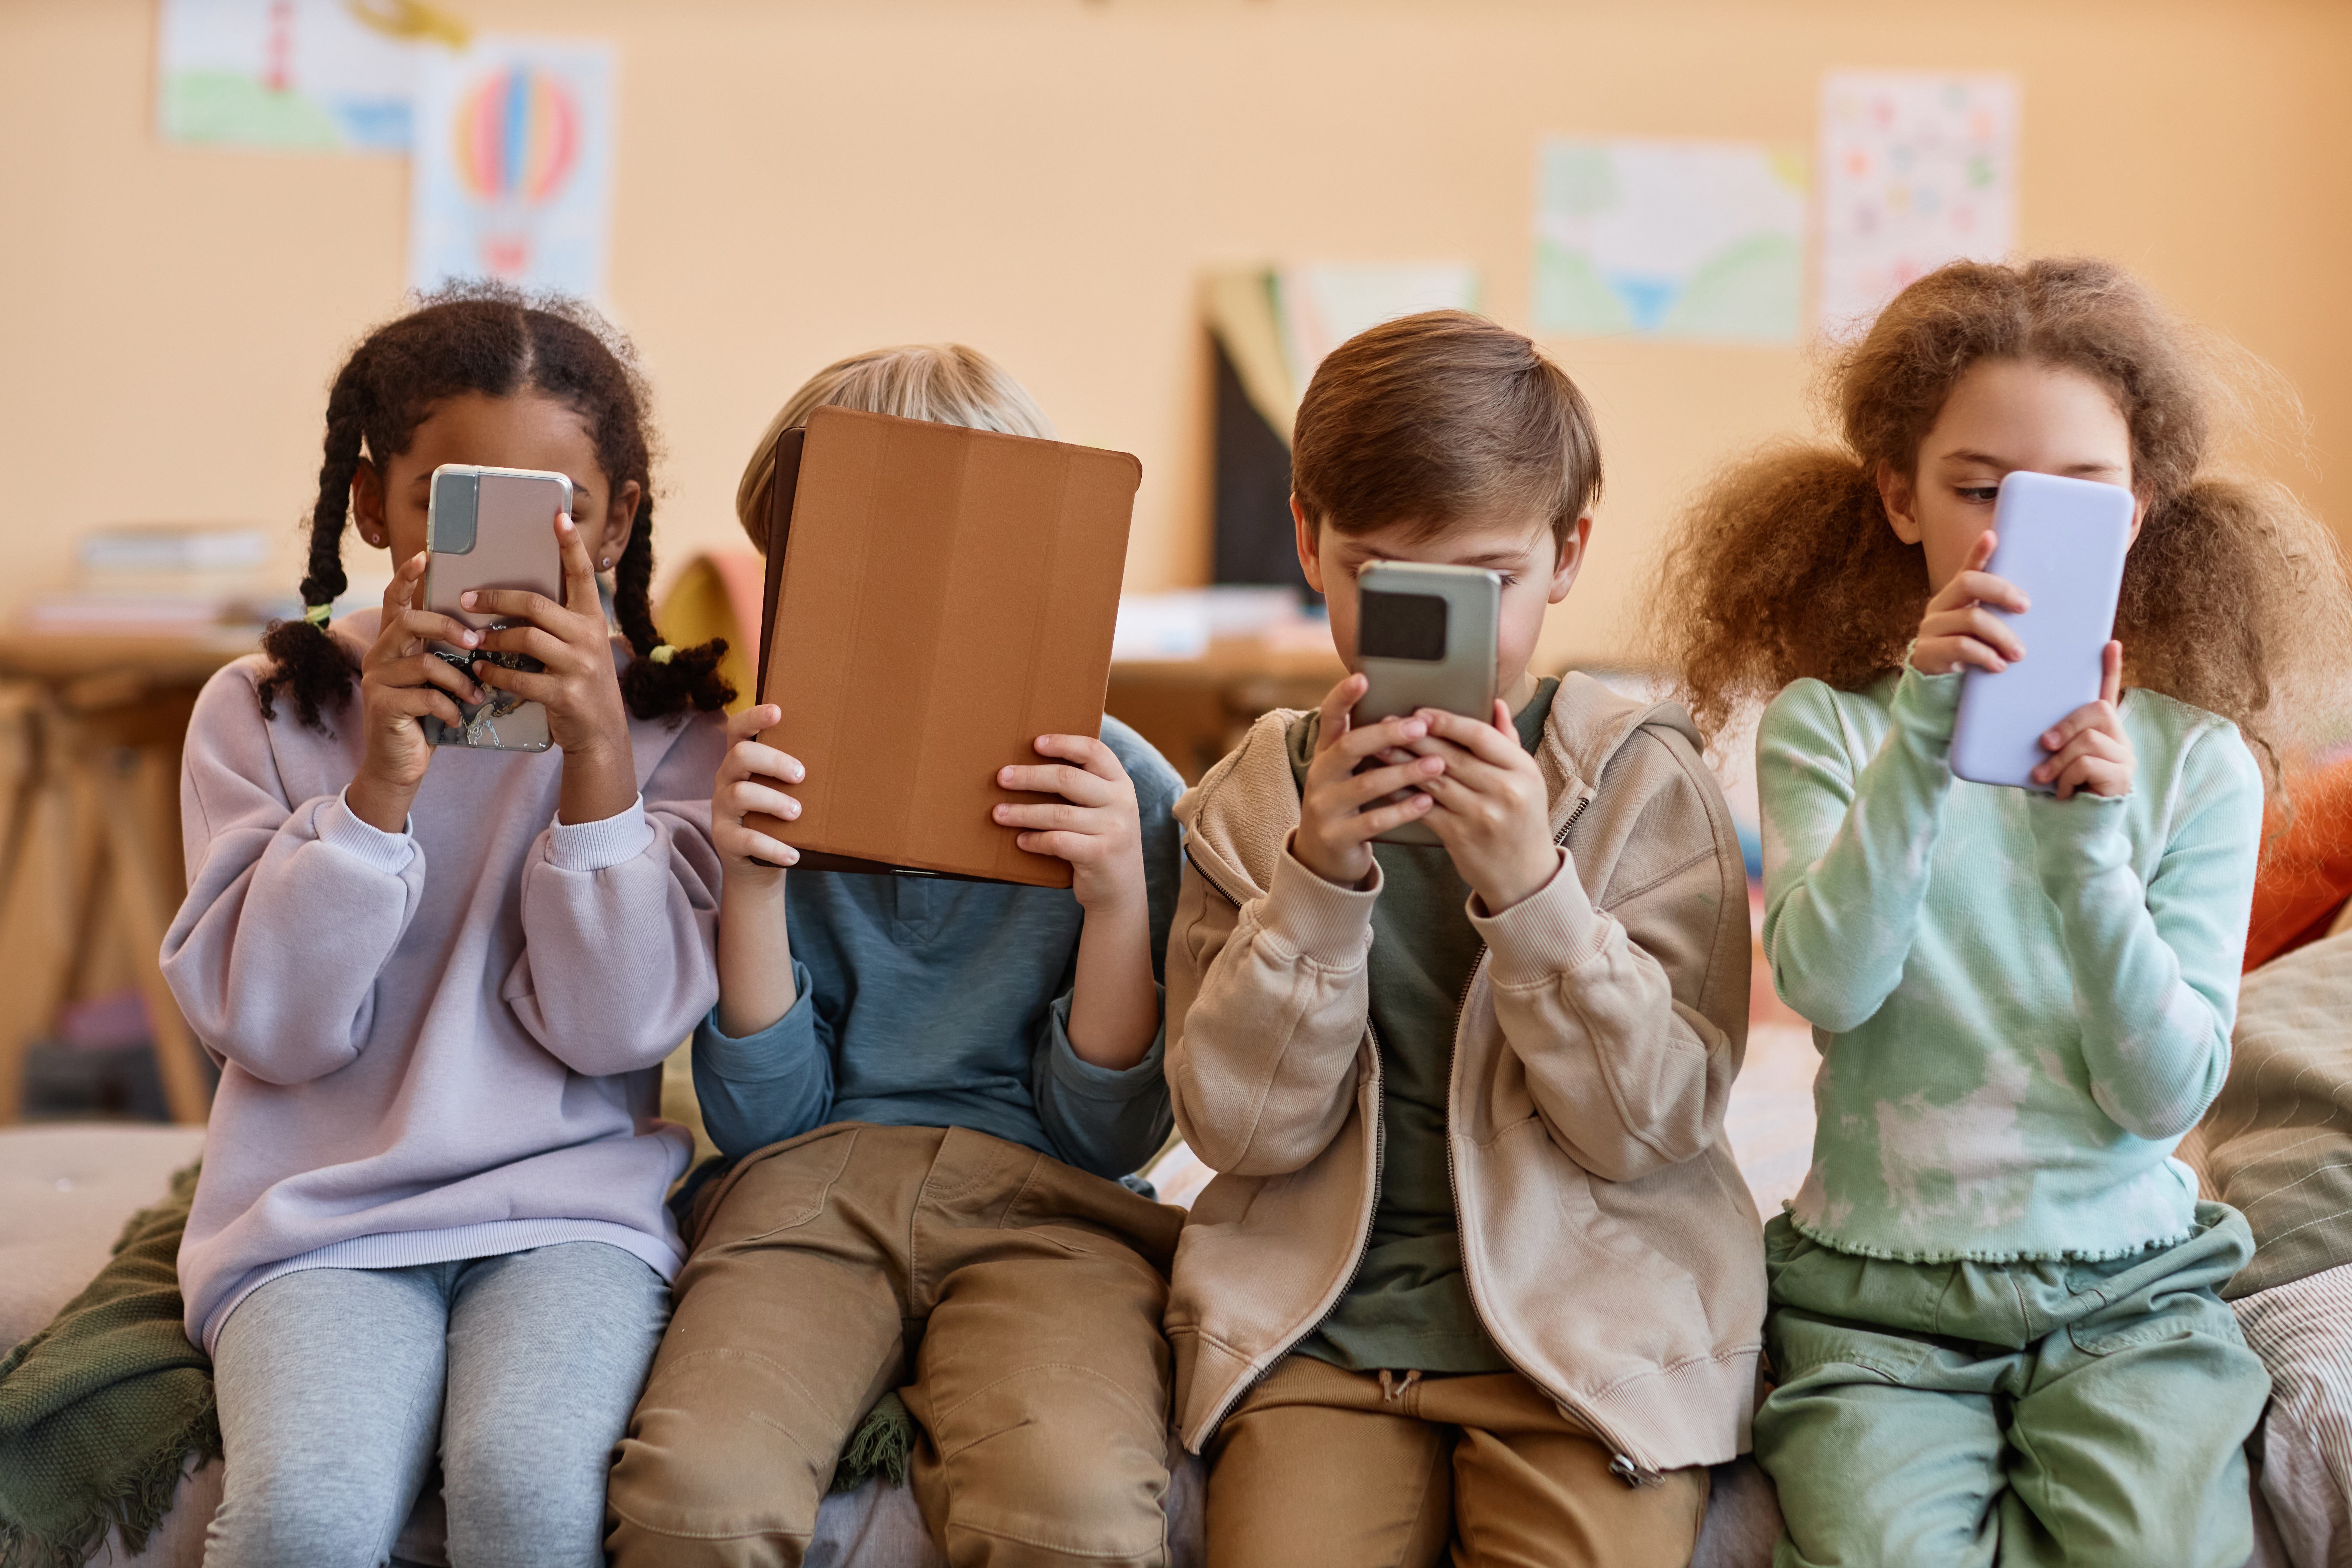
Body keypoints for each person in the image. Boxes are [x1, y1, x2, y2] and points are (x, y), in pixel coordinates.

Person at [1655, 256, 2352, 1567]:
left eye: (2071, 500)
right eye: (1977, 490)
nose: (2007, 534)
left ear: (2137, 513)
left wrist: (2089, 855)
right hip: (1877, 1300)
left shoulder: (2196, 763)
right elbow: (1832, 988)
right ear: (1899, 499)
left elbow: (2165, 1095)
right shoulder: (1829, 728)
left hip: (2132, 1294)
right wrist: (1926, 737)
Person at [1162, 310, 1761, 1568]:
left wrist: (1536, 890)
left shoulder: (1646, 780)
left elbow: (1654, 1126)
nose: (1438, 626)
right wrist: (1318, 880)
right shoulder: (1248, 801)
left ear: (1569, 552)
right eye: (1380, 579)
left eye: (1487, 583)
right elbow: (1240, 1130)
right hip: (1318, 1337)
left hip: (1588, 1341)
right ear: (1306, 537)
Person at [161, 285, 734, 1568]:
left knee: (530, 1501)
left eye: (560, 514)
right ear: (374, 507)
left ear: (620, 518)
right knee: (304, 1518)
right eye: (453, 506)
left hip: (570, 1213)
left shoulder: (676, 735)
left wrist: (597, 769)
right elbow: (275, 1033)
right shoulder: (261, 713)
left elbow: (617, 1032)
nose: (506, 556)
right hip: (320, 1216)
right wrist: (379, 790)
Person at [604, 345, 1190, 1568]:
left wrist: (1118, 901)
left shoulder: (1124, 790)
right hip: (806, 1185)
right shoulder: (741, 778)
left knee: (1074, 1517)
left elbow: (1113, 1141)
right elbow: (763, 1124)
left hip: (1055, 1207)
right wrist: (754, 891)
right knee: (692, 1499)